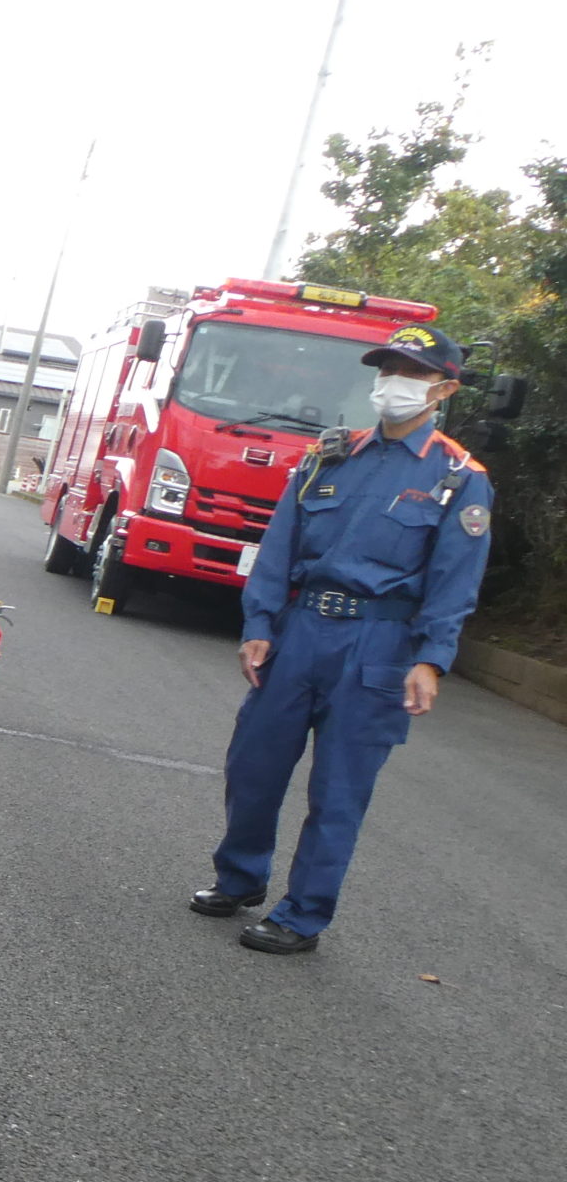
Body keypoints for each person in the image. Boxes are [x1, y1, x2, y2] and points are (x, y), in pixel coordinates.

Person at [191, 323, 495, 952]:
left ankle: (301, 916)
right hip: (301, 632)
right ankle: (240, 878)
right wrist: (259, 625)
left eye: (411, 373)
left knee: (339, 790)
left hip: (379, 646)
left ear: (443, 388)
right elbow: (278, 547)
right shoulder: (327, 456)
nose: (394, 384)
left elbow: (453, 580)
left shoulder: (459, 477)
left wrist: (431, 661)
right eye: (387, 369)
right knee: (254, 766)